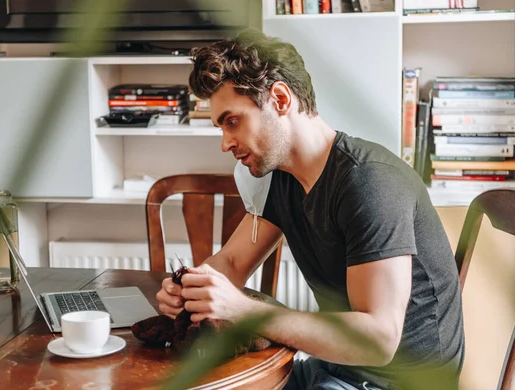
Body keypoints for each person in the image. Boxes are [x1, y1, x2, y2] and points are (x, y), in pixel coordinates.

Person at [156, 28, 465, 390]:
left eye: (232, 121)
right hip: (338, 368)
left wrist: (244, 311)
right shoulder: (283, 176)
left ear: (281, 99)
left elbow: (379, 340)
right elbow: (233, 263)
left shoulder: (369, 183)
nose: (225, 143)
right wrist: (191, 288)